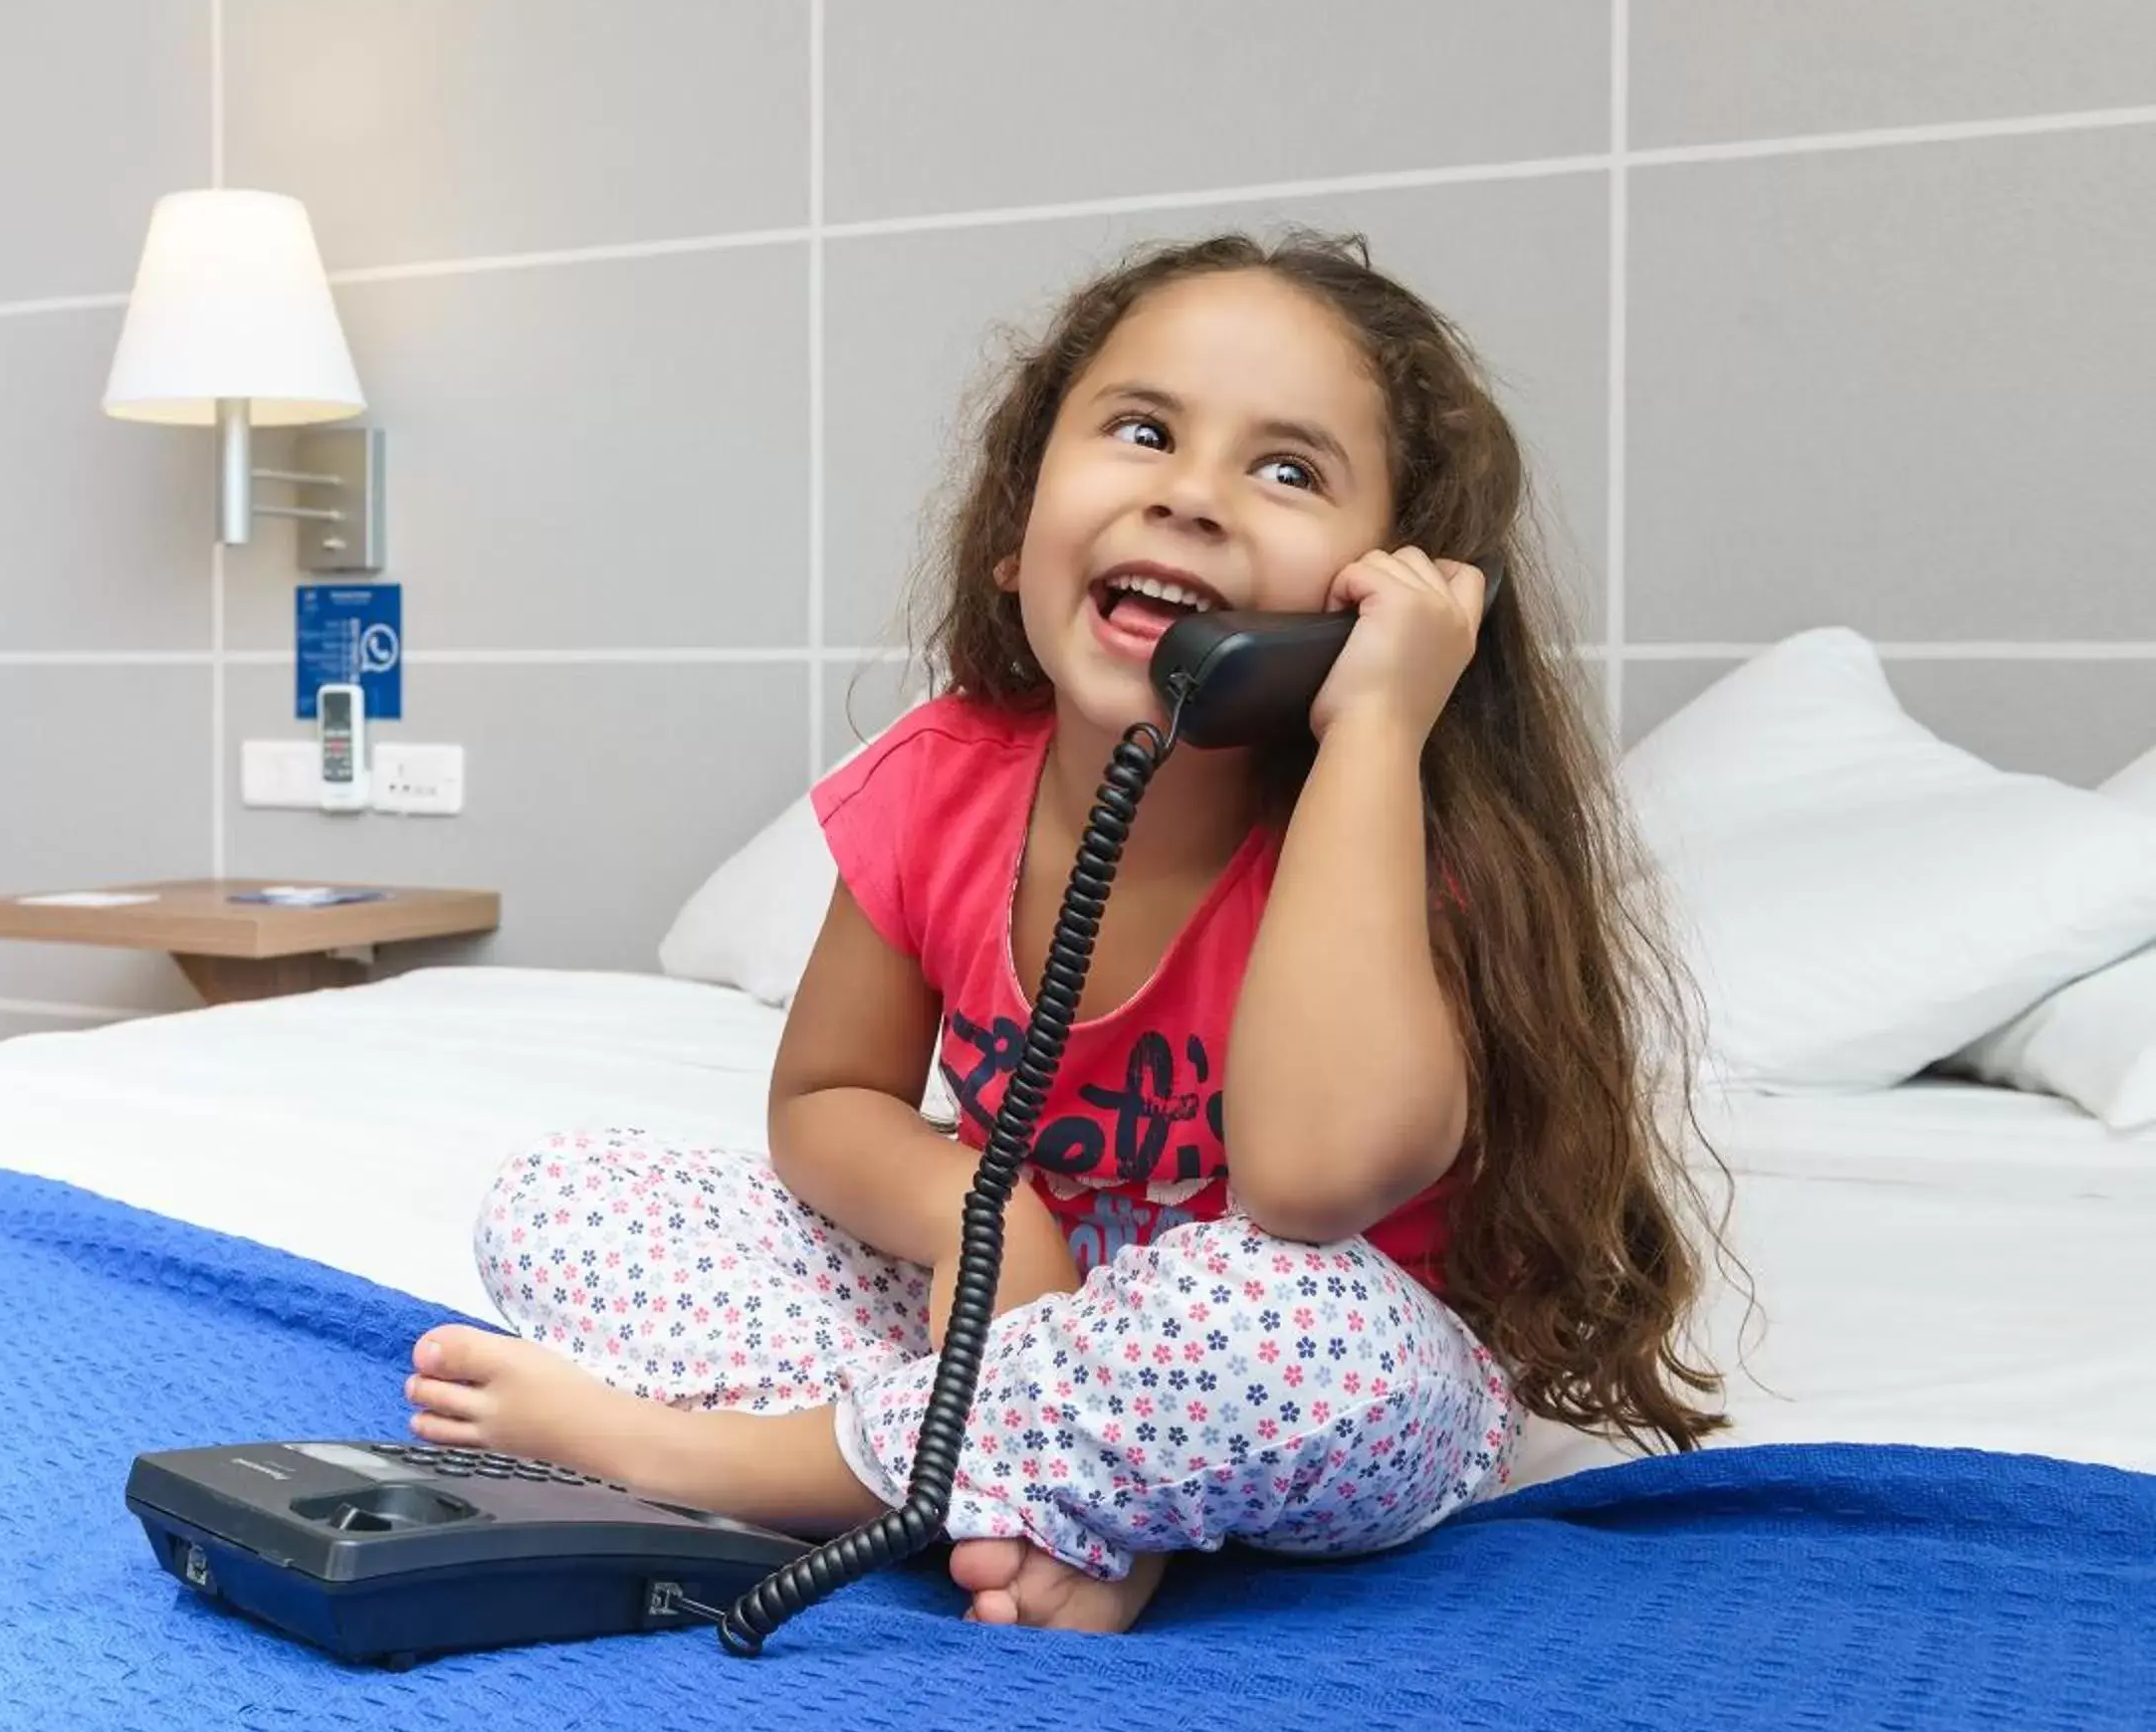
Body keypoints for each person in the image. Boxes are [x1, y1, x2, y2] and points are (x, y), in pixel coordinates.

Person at [404, 229, 1725, 1633]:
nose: (1192, 495)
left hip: (1287, 1356)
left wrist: (1378, 724)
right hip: (1009, 1310)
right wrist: (988, 1218)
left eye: (1287, 469)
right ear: (1011, 533)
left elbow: (1309, 1185)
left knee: (1289, 1333)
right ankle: (1063, 1492)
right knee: (566, 1195)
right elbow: (829, 1100)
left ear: (1385, 593)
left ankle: (741, 1465)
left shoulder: (1386, 834)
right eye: (1144, 430)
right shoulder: (941, 779)